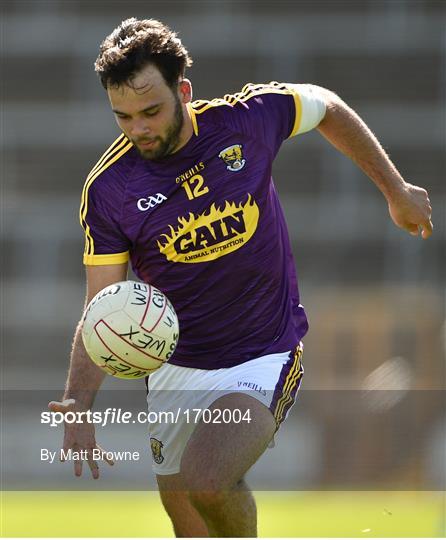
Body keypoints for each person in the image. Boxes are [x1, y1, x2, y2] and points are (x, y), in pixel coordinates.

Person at [48, 17, 433, 538]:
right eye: (123, 117)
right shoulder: (110, 190)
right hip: (175, 369)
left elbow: (327, 107)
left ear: (183, 91)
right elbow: (103, 308)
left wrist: (396, 191)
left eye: (151, 111)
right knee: (191, 523)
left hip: (263, 351)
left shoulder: (246, 120)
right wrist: (78, 400)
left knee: (207, 480)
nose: (138, 128)